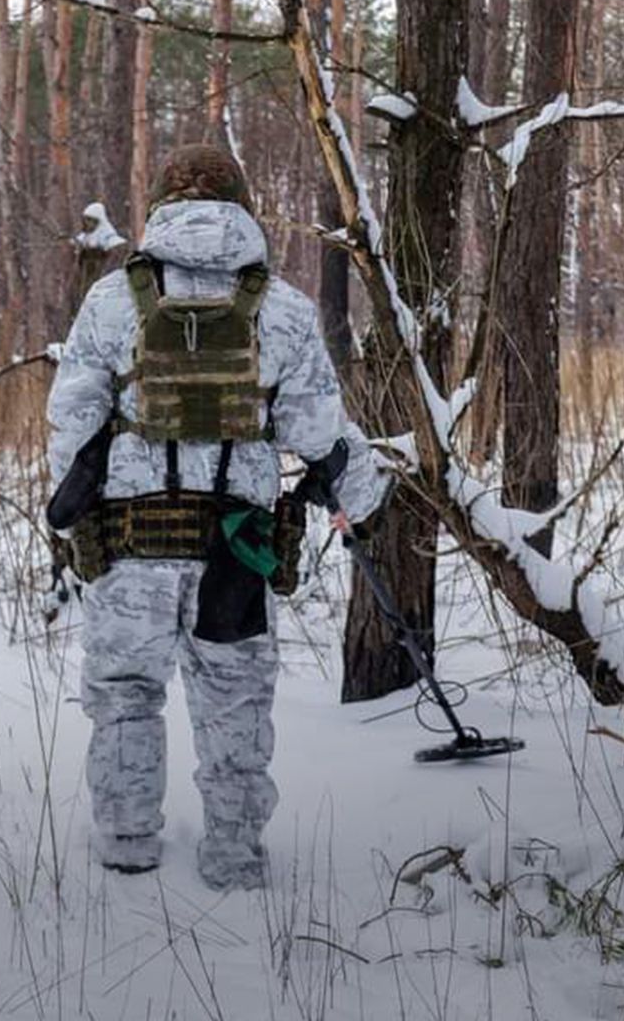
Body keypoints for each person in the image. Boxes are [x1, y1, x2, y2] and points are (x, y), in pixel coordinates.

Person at [46, 145, 387, 890]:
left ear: (160, 205)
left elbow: (71, 423)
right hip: (234, 549)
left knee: (128, 696)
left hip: (129, 548)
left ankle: (128, 843)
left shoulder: (110, 302)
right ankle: (234, 856)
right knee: (233, 706)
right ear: (241, 205)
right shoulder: (284, 309)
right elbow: (319, 431)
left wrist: (71, 518)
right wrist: (359, 500)